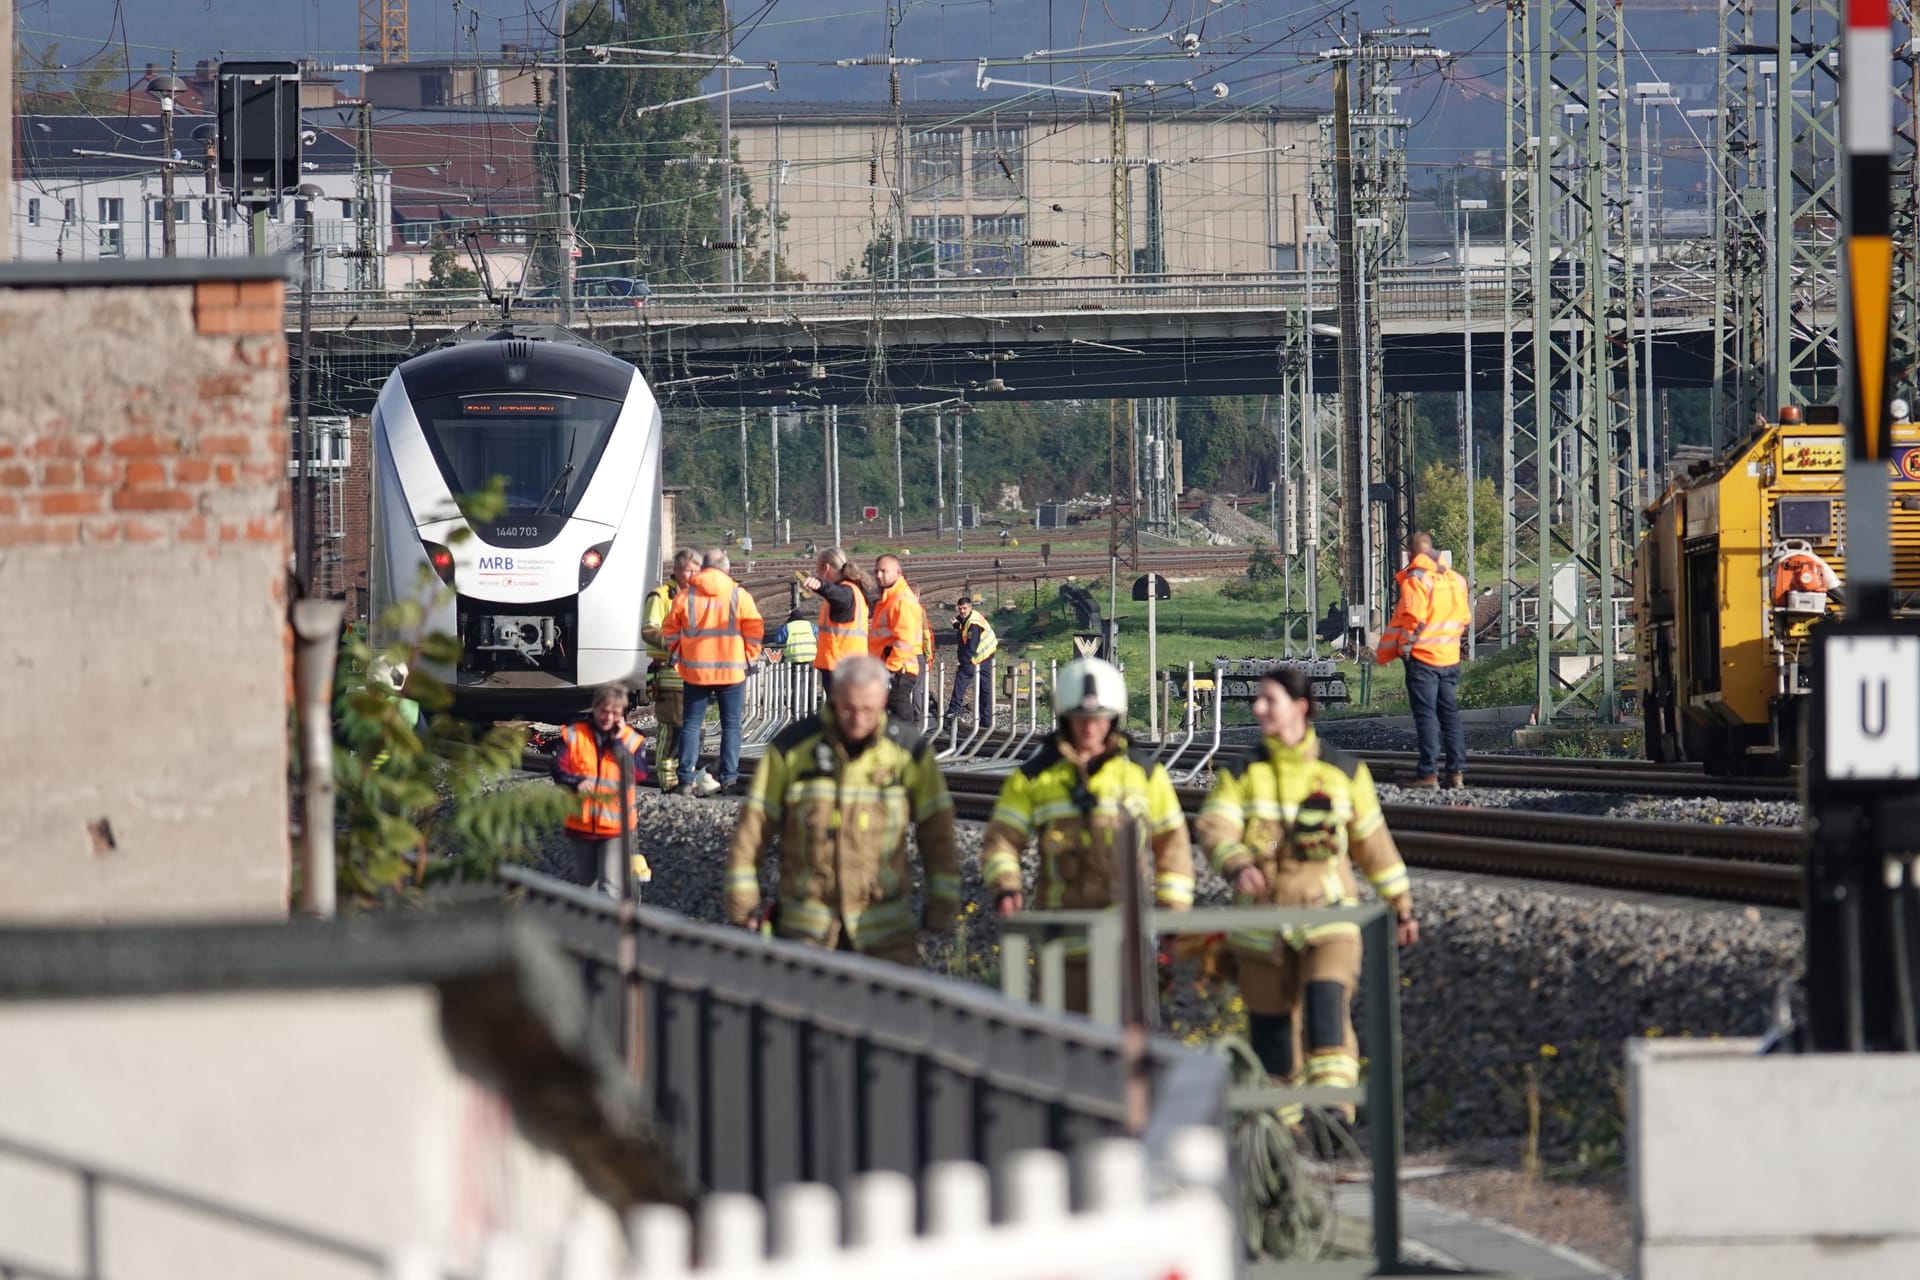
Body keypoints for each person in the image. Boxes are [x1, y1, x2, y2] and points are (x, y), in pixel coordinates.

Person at [1194, 666, 1417, 1123]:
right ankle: (1286, 1136)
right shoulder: (1242, 773)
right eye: (1257, 700)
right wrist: (1236, 861)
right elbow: (1215, 826)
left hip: (1328, 919)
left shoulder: (1343, 773)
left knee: (1325, 1017)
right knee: (1273, 1040)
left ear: (1300, 707)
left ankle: (1334, 1119)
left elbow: (1374, 845)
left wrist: (1402, 905)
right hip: (1260, 929)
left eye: (1268, 700)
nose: (1257, 708)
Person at [979, 657, 1194, 1012]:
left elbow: (1173, 846)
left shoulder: (1143, 775)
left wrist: (1173, 912)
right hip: (1060, 945)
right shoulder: (1035, 777)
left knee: (1124, 1052)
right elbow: (1002, 839)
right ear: (1064, 716)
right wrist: (1006, 886)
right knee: (1062, 1052)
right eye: (1080, 719)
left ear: (1114, 717)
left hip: (1126, 946)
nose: (1090, 728)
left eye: (1098, 718)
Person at [725, 654, 959, 965]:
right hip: (807, 937)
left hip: (885, 937)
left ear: (884, 700)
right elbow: (753, 829)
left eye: (869, 710)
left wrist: (942, 908)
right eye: (849, 709)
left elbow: (938, 833)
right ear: (834, 696)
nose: (859, 720)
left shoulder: (908, 752)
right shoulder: (792, 749)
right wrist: (743, 904)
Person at [662, 547, 764, 796]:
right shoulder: (739, 595)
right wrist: (749, 658)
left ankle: (685, 779)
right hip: (732, 672)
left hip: (695, 672)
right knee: (731, 726)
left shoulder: (686, 596)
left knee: (691, 725)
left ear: (704, 567)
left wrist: (679, 655)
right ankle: (728, 779)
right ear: (726, 569)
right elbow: (754, 629)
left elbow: (669, 630)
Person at [1375, 532, 1470, 788]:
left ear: (1409, 553)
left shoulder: (1417, 579)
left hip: (1424, 659)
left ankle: (1428, 773)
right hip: (1449, 659)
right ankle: (1456, 773)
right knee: (1450, 715)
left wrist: (1405, 648)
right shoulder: (1455, 579)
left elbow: (1414, 618)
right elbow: (1464, 618)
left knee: (1426, 716)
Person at [551, 683, 649, 897]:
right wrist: (575, 781)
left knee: (609, 886)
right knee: (588, 885)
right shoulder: (575, 734)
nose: (607, 717)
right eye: (603, 711)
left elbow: (640, 774)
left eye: (614, 713)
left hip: (616, 826)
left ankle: (608, 929)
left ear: (622, 714)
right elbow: (558, 768)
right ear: (594, 708)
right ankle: (591, 928)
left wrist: (619, 744)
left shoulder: (631, 740)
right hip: (581, 824)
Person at [641, 548, 699, 792]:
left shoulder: (699, 596)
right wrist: (677, 641)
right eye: (689, 570)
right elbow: (648, 630)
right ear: (675, 570)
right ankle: (668, 782)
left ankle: (688, 778)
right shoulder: (661, 596)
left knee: (695, 729)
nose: (694, 574)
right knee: (672, 727)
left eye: (697, 570)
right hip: (669, 671)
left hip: (696, 672)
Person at [801, 547, 878, 697]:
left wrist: (821, 586)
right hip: (850, 666)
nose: (817, 572)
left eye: (818, 567)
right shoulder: (856, 590)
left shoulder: (846, 592)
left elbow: (837, 595)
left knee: (841, 716)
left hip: (840, 667)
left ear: (826, 568)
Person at [870, 554, 928, 725]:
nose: (879, 575)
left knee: (898, 709)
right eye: (876, 571)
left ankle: (908, 747)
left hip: (899, 670)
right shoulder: (888, 599)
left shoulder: (901, 600)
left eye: (884, 571)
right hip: (888, 668)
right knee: (889, 714)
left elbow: (905, 640)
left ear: (898, 572)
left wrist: (889, 669)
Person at [941, 597, 998, 728]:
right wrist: (957, 624)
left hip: (979, 656)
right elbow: (963, 624)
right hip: (987, 654)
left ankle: (953, 711)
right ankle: (986, 722)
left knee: (963, 677)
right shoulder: (972, 616)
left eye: (964, 608)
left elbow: (971, 647)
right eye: (960, 608)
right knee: (985, 689)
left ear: (970, 607)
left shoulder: (973, 624)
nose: (962, 611)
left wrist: (963, 663)